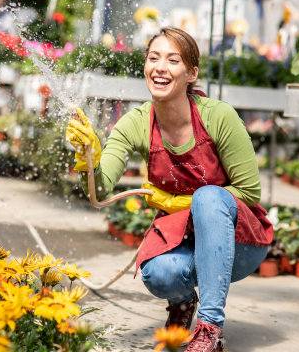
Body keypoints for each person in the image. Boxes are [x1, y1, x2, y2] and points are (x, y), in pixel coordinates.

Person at [66, 27, 273, 352]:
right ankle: (181, 303)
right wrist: (87, 158)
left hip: (239, 241)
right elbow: (101, 188)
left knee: (208, 196)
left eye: (172, 60)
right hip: (183, 238)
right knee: (158, 273)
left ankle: (210, 329)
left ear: (191, 73)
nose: (160, 67)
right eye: (153, 58)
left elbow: (249, 193)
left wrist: (184, 202)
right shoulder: (135, 123)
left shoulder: (219, 117)